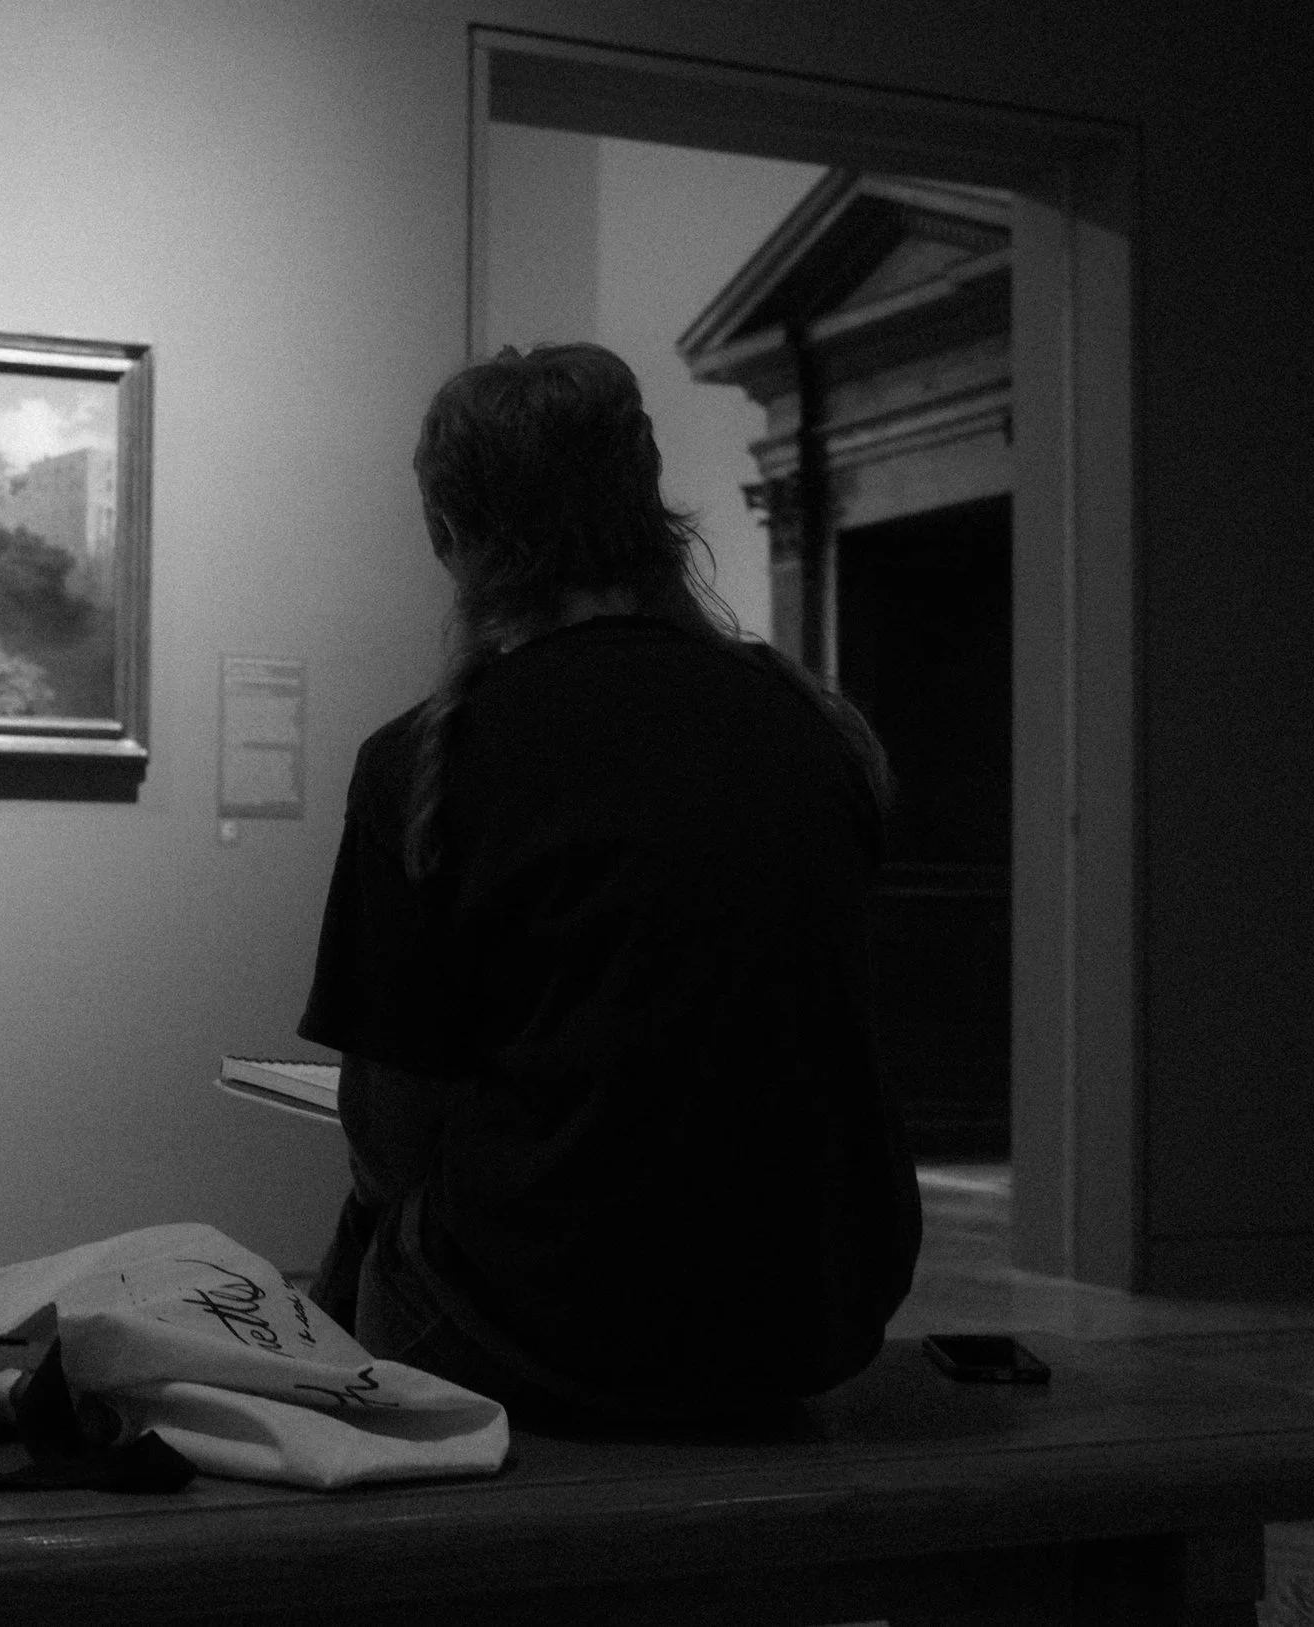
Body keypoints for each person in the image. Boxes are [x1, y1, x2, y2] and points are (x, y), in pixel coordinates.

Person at [300, 342, 921, 1431]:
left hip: (563, 1328)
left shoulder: (427, 760)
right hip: (811, 1314)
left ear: (448, 533)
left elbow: (390, 1141)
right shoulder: (812, 730)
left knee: (367, 1254)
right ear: (650, 506)